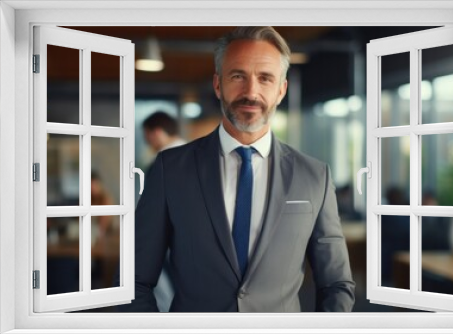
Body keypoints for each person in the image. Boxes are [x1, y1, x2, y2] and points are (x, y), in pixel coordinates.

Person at [121, 26, 355, 312]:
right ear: (218, 84)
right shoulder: (171, 169)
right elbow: (133, 281)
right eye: (238, 76)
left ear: (281, 90)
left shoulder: (315, 176)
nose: (251, 92)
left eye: (265, 78)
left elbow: (336, 285)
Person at [142, 112, 187, 312]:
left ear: (158, 133)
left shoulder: (164, 160)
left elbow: (149, 207)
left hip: (166, 235)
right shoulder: (197, 155)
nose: (146, 142)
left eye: (147, 136)